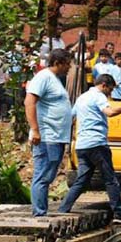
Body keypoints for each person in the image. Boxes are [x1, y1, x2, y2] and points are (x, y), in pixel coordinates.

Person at [58, 74, 121, 218]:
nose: (110, 94)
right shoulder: (99, 96)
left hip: (82, 145)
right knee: (110, 179)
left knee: (82, 180)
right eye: (110, 89)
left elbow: (71, 118)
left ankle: (63, 208)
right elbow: (110, 112)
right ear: (103, 85)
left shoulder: (82, 97)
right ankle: (119, 213)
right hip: (97, 144)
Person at [25, 49, 73, 216]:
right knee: (43, 174)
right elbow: (29, 102)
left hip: (56, 137)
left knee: (48, 174)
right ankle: (39, 212)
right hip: (46, 137)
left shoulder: (55, 80)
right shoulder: (43, 77)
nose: (69, 67)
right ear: (58, 63)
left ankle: (41, 210)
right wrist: (35, 130)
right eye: (67, 64)